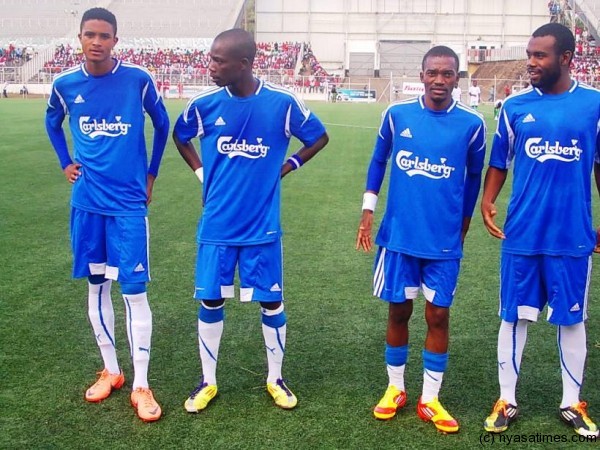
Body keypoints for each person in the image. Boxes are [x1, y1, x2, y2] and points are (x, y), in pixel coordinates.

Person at [172, 28, 329, 413]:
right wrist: (200, 174)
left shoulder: (281, 103)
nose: (210, 66)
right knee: (210, 301)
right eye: (210, 58)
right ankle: (207, 381)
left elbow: (318, 137)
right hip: (217, 226)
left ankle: (275, 379)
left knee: (271, 303)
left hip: (262, 228)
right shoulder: (204, 104)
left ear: (243, 64)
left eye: (218, 60)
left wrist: (288, 165)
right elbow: (180, 135)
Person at [45, 7, 169, 422]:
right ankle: (112, 371)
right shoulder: (65, 85)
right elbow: (52, 121)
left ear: (116, 40)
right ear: (78, 38)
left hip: (128, 205)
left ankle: (141, 384)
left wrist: (151, 173)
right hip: (87, 204)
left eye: (104, 35)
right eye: (89, 34)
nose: (96, 41)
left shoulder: (137, 80)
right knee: (97, 286)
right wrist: (65, 160)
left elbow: (162, 123)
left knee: (134, 292)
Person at [356, 45, 486, 434]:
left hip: (443, 241)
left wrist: (464, 222)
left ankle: (430, 397)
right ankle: (395, 388)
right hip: (399, 237)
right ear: (422, 74)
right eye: (433, 73)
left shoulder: (472, 125)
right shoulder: (397, 116)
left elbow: (475, 176)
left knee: (439, 315)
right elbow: (378, 160)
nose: (440, 81)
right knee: (398, 311)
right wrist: (367, 210)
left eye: (448, 74)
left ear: (458, 79)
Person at [481, 23, 599, 438]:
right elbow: (500, 160)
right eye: (529, 54)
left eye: (540, 55)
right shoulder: (514, 107)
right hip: (523, 234)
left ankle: (571, 403)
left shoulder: (594, 105)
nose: (530, 62)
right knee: (513, 317)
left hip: (572, 235)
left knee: (571, 320)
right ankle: (506, 399)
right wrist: (488, 198)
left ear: (565, 58)